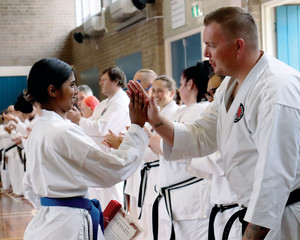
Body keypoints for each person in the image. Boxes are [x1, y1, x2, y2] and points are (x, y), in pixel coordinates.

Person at [127, 6, 300, 240]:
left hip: (280, 217)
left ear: (238, 46)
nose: (206, 54)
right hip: (254, 213)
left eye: (212, 45)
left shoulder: (274, 90)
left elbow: (274, 176)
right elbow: (201, 136)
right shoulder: (230, 86)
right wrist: (155, 119)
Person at [21, 58, 149, 240]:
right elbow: (115, 168)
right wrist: (136, 127)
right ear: (52, 91)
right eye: (72, 85)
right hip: (68, 227)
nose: (75, 92)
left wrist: (51, 207)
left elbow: (29, 186)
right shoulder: (63, 131)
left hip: (47, 222)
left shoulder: (38, 130)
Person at [152, 62, 212, 240]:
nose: (179, 88)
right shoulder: (185, 110)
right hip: (175, 198)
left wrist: (147, 133)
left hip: (191, 199)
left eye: (180, 83)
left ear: (190, 84)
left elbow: (174, 147)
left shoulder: (201, 111)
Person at [66, 66, 130, 209]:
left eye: (104, 80)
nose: (100, 83)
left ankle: (113, 231)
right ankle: (100, 229)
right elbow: (92, 125)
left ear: (116, 81)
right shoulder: (105, 103)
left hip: (111, 156)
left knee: (111, 201)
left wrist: (79, 120)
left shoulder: (120, 102)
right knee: (98, 200)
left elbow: (102, 128)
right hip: (98, 156)